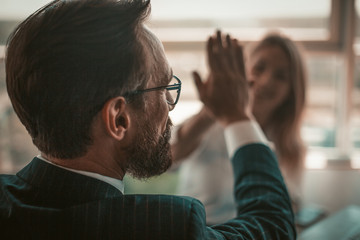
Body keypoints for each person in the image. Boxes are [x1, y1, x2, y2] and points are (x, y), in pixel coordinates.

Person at [0, 0, 295, 239]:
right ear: (119, 119)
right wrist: (236, 115)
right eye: (163, 88)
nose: (169, 106)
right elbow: (274, 227)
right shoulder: (166, 226)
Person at [173, 33, 307, 224]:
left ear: (291, 91)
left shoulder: (291, 148)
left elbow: (288, 208)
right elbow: (169, 156)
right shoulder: (209, 127)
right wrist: (211, 111)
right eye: (259, 68)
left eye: (280, 76)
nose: (266, 81)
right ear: (241, 71)